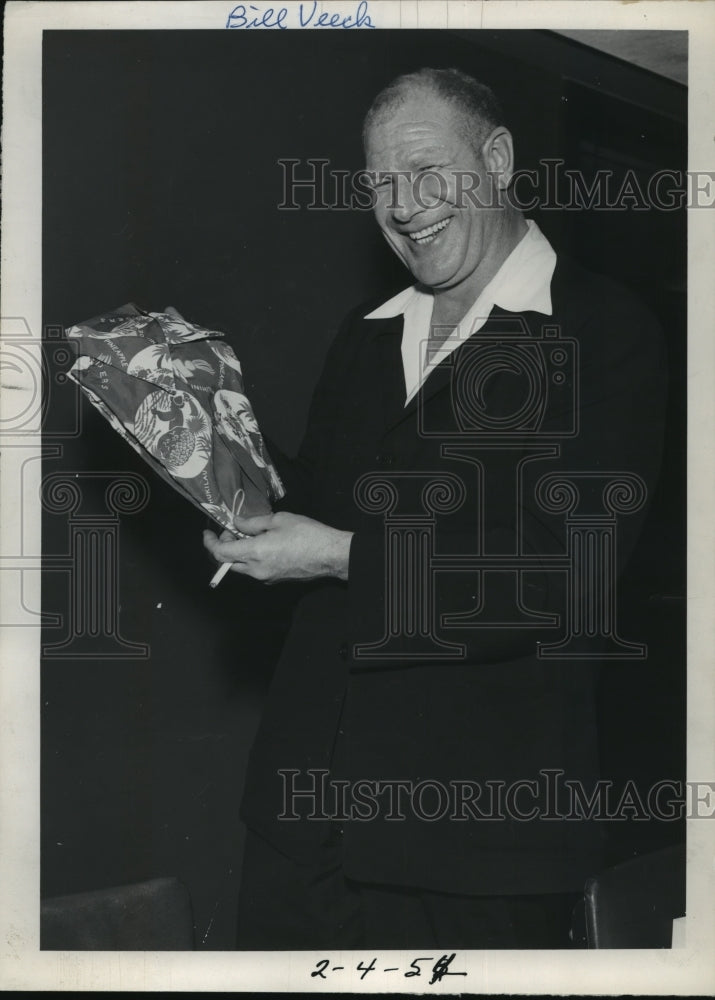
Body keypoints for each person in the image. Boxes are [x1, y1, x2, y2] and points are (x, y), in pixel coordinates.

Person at [203, 68, 667, 949]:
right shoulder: (367, 332)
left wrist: (339, 556)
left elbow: (559, 574)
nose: (403, 206)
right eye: (380, 184)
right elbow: (321, 506)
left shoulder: (603, 332)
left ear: (495, 160)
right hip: (300, 831)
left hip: (474, 851)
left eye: (423, 172)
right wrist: (205, 437)